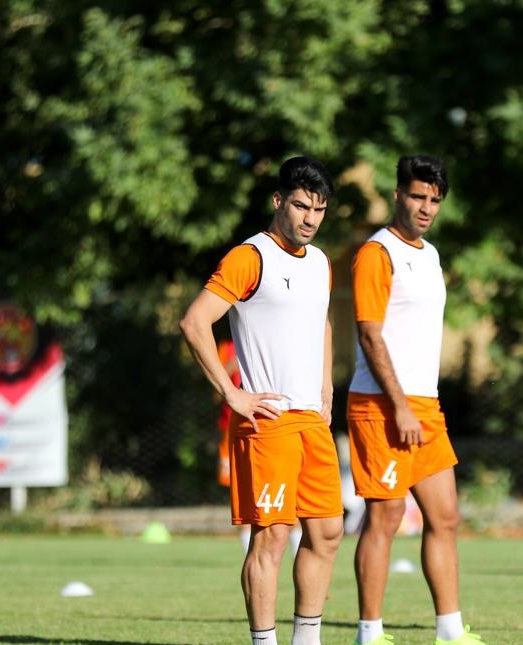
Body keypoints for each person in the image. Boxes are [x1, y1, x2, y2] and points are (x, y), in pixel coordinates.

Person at [180, 156, 343, 645]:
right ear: (278, 201)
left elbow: (323, 323)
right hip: (267, 421)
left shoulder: (320, 263)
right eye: (300, 206)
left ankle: (307, 640)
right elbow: (194, 322)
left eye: (319, 209)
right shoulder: (250, 257)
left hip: (311, 420)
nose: (310, 218)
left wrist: (327, 389)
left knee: (328, 533)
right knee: (271, 538)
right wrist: (233, 394)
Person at [347, 155, 487, 645]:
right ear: (397, 196)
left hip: (425, 405)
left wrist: (417, 403)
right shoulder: (375, 253)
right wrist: (400, 405)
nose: (426, 207)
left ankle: (449, 630)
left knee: (445, 516)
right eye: (417, 196)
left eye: (434, 199)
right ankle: (370, 632)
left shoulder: (429, 254)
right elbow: (369, 334)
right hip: (381, 405)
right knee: (383, 517)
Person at [216, 337, 303, 556]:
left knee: (292, 492)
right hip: (235, 428)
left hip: (277, 423)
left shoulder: (272, 339)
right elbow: (215, 392)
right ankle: (251, 555)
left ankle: (298, 557)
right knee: (246, 494)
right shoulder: (226, 348)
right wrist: (231, 366)